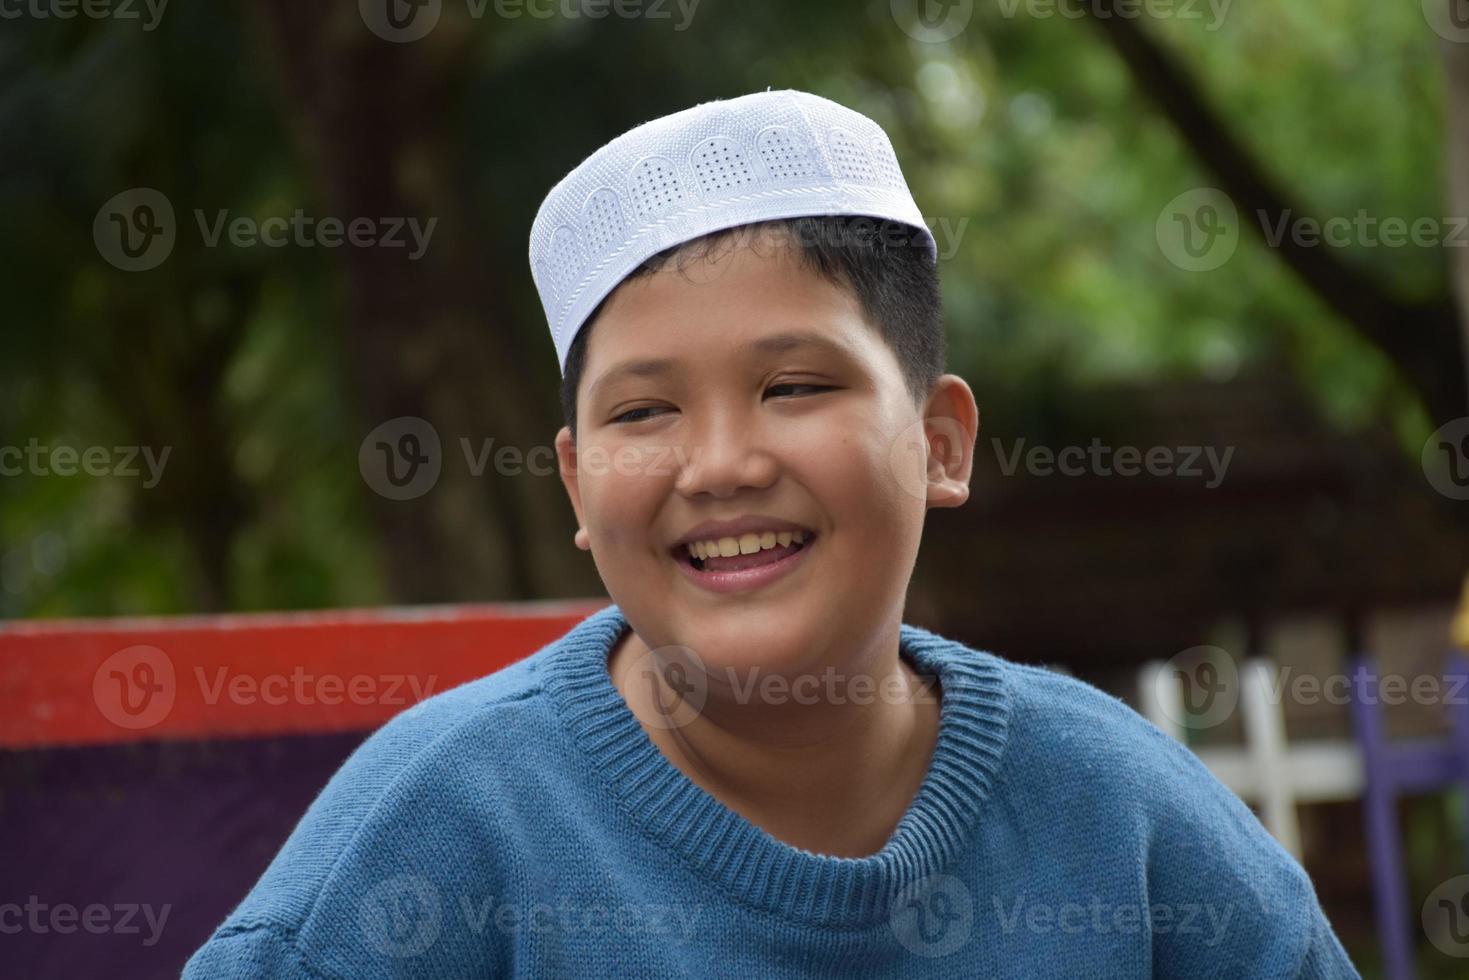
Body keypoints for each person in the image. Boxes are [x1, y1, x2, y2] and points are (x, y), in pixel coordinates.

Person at [182, 88, 1359, 978]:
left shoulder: (1123, 817)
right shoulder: (442, 827)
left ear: (941, 441)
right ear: (579, 487)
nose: (724, 463)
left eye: (795, 385)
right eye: (643, 410)